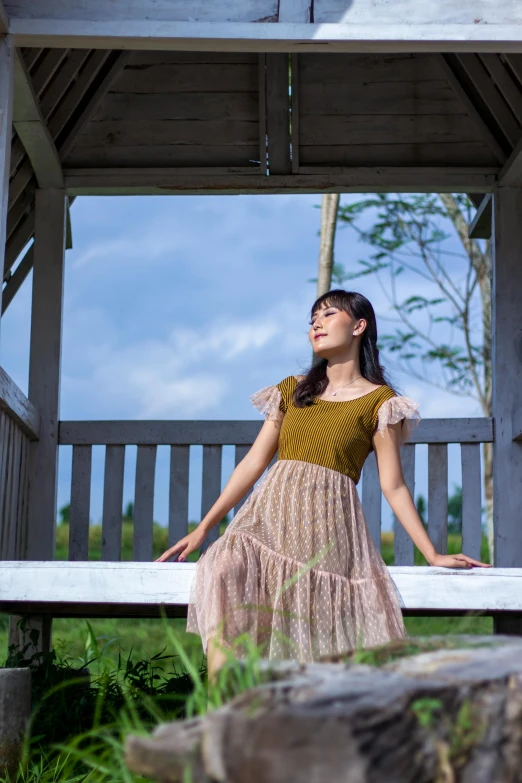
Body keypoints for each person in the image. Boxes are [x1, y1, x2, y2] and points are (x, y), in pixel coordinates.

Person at [156, 289, 491, 681]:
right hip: (267, 522)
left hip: (327, 531)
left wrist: (432, 553)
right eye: (313, 318)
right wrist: (203, 528)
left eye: (329, 314)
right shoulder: (293, 390)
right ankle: (222, 712)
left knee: (309, 634)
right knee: (224, 565)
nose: (316, 323)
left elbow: (394, 485)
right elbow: (253, 462)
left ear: (359, 326)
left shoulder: (380, 403)